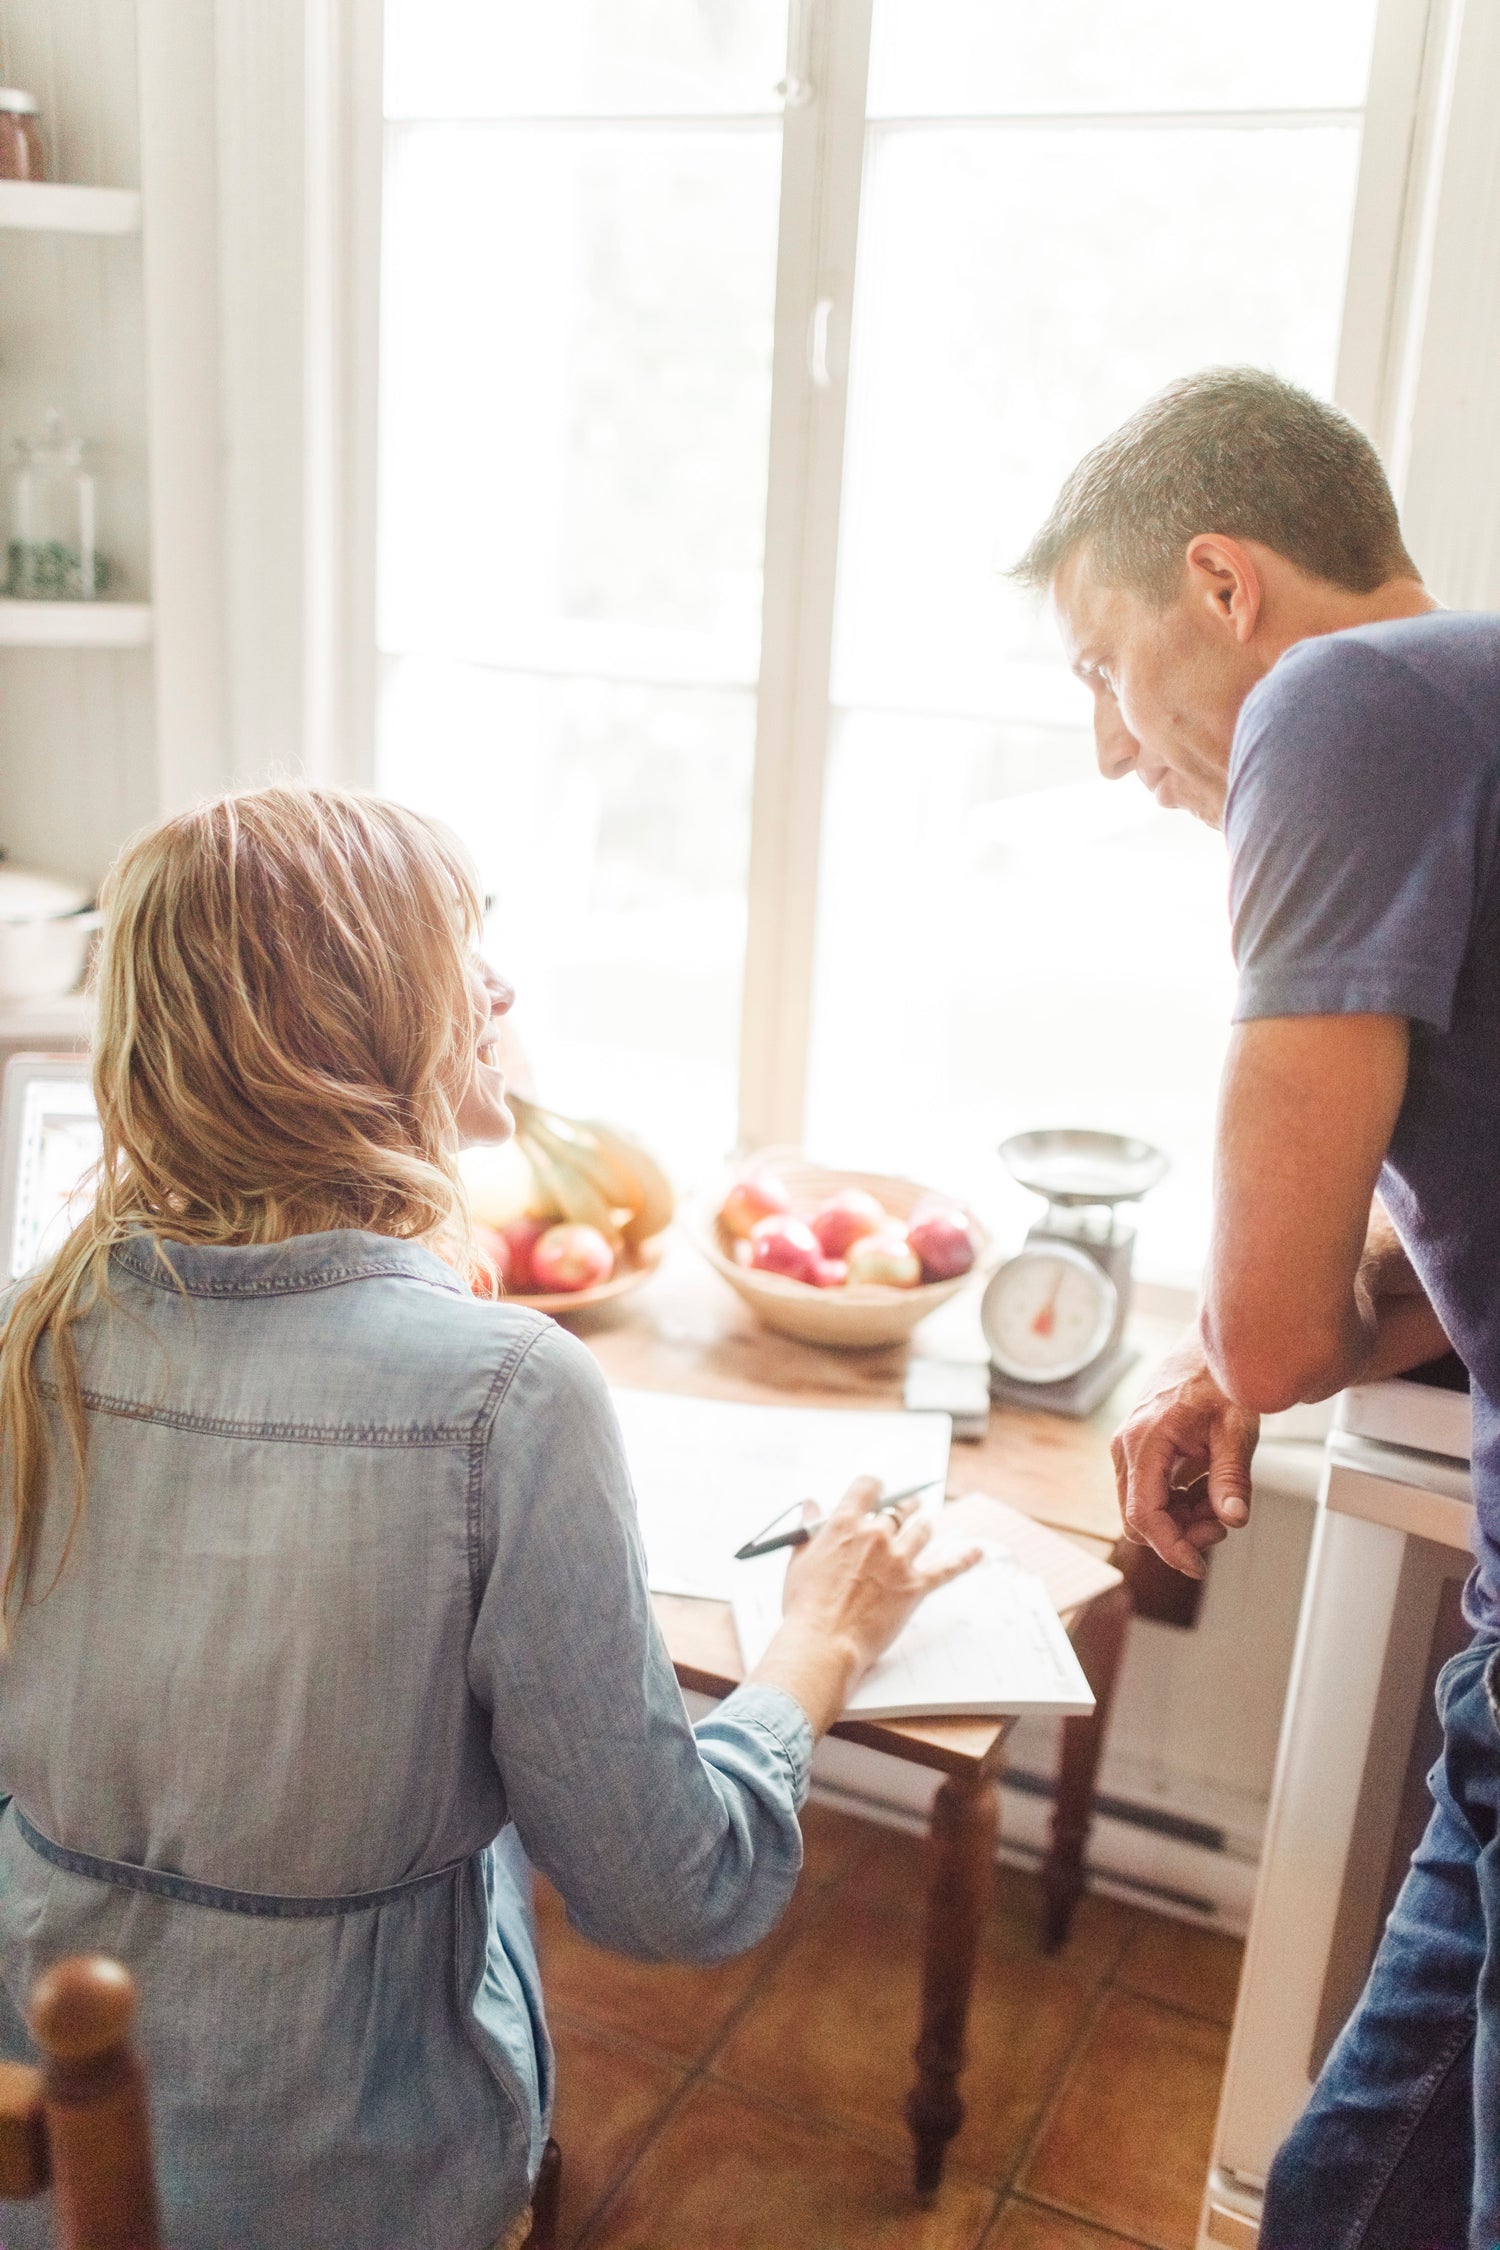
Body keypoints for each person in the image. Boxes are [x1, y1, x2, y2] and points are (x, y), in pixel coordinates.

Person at [0, 785, 979, 2250]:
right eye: (461, 950)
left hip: (48, 2153)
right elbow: (673, 1892)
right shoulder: (510, 1394)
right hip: (358, 2182)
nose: (501, 990)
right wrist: (814, 1654)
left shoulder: (37, 1335)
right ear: (348, 1023)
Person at [1015, 367, 1500, 2249]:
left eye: (1099, 672)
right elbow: (1385, 1305)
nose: (1114, 756)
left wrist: (1243, 1355)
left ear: (1220, 581)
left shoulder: (1345, 697)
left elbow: (1280, 1324)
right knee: (1349, 2195)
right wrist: (1246, 1363)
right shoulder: (1464, 708)